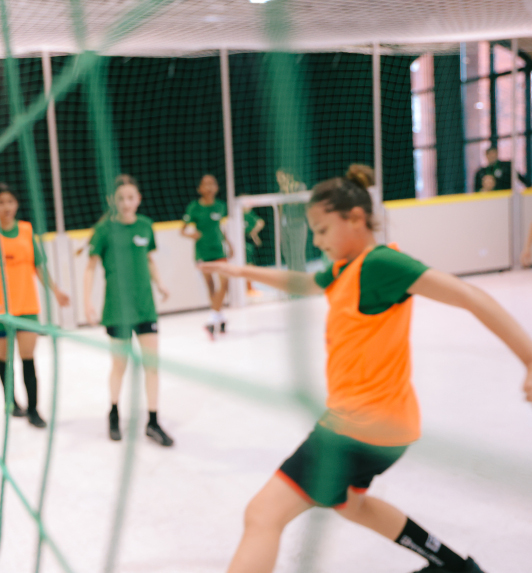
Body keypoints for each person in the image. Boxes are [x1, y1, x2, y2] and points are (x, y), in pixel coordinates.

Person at [202, 169, 532, 573]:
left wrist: (530, 359)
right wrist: (240, 272)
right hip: (387, 428)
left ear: (356, 218)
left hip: (357, 429)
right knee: (351, 505)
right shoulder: (345, 269)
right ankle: (454, 567)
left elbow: (471, 296)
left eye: (323, 230)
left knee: (262, 515)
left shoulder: (379, 264)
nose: (319, 242)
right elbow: (304, 283)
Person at [84, 174, 174, 447]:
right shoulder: (104, 230)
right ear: (113, 200)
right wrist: (87, 302)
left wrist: (160, 284)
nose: (126, 203)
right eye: (121, 198)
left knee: (152, 366)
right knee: (119, 365)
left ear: (138, 199)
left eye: (131, 197)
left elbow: (149, 259)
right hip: (117, 310)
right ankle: (113, 413)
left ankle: (154, 421)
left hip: (145, 308)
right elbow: (90, 267)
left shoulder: (146, 226)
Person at [0, 182, 70, 429]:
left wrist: (56, 291)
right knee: (5, 358)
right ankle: (11, 402)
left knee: (28, 358)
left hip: (27, 305)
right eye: (0, 202)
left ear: (17, 204)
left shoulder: (27, 230)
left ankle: (33, 409)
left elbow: (38, 265)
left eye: (10, 201)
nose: (6, 207)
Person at [181, 174, 231, 338]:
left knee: (225, 283)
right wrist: (192, 235)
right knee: (211, 286)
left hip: (219, 250)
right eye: (206, 184)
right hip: (203, 252)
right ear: (199, 188)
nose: (209, 187)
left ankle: (212, 319)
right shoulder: (194, 207)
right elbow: (182, 230)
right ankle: (219, 317)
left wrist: (229, 243)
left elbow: (220, 227)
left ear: (217, 187)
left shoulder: (221, 206)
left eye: (213, 183)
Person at [276, 168, 308, 272]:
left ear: (289, 176)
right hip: (285, 226)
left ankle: (302, 283)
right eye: (277, 177)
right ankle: (292, 281)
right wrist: (279, 228)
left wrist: (287, 191)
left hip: (297, 225)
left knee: (297, 256)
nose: (278, 180)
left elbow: (294, 203)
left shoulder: (300, 187)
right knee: (287, 254)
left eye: (280, 177)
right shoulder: (281, 190)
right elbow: (280, 210)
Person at [242, 206, 265, 296]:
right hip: (245, 242)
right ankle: (249, 288)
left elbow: (260, 222)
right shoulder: (246, 214)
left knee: (249, 264)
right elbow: (260, 222)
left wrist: (254, 234)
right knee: (249, 265)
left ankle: (249, 287)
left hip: (246, 242)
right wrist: (254, 233)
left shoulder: (248, 214)